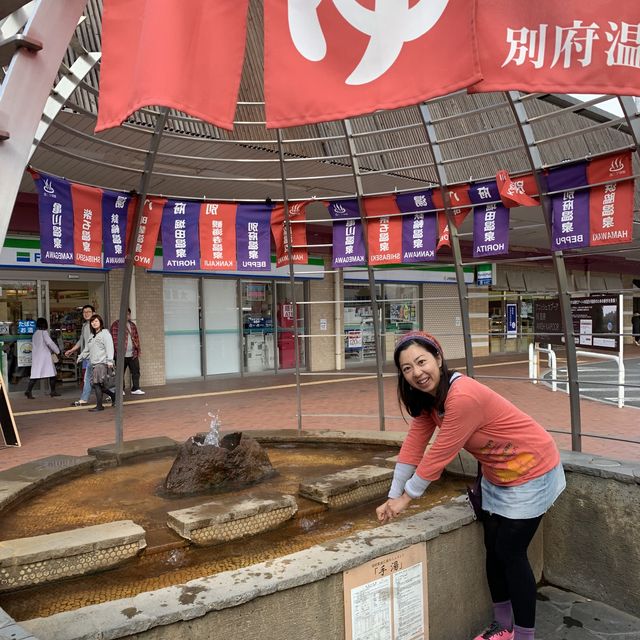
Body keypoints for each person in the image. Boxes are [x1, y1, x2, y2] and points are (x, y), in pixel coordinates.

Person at [376, 331, 565, 640]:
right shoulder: (428, 400)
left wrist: (406, 499)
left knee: (510, 551)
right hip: (497, 475)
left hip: (533, 469)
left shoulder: (462, 396)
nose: (417, 373)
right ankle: (502, 626)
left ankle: (524, 635)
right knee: (493, 546)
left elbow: (439, 454)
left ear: (438, 358)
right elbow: (414, 445)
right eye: (407, 368)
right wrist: (392, 494)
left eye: (421, 361)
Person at [77, 314, 115, 412]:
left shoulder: (105, 333)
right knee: (97, 385)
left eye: (96, 321)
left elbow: (109, 347)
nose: (94, 323)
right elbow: (87, 349)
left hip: (101, 363)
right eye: (92, 322)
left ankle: (99, 406)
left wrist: (110, 361)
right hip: (93, 363)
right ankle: (114, 396)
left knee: (97, 384)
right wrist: (80, 357)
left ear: (100, 322)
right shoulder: (91, 336)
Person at [65, 304, 95, 407]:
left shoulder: (94, 325)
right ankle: (113, 393)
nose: (86, 314)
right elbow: (81, 341)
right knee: (89, 378)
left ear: (93, 313)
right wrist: (72, 350)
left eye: (88, 312)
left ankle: (84, 399)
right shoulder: (84, 325)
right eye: (84, 312)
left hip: (94, 357)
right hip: (86, 356)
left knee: (92, 378)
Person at [110, 308, 144, 394]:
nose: (126, 316)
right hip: (121, 354)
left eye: (128, 314)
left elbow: (136, 338)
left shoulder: (132, 325)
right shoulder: (116, 325)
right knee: (120, 373)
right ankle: (121, 389)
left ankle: (136, 388)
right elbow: (114, 340)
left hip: (133, 353)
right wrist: (118, 353)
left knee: (136, 371)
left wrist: (138, 350)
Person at [24, 317, 60, 399]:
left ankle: (28, 390)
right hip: (45, 356)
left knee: (35, 375)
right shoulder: (44, 333)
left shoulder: (35, 334)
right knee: (52, 374)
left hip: (37, 356)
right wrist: (57, 351)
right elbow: (50, 343)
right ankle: (53, 392)